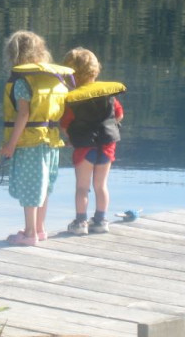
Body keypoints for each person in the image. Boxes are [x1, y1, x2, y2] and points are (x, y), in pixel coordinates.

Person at [0, 30, 75, 246]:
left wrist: (10, 145)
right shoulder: (52, 80)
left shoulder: (23, 82)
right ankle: (40, 229)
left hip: (31, 142)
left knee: (31, 187)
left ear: (15, 55)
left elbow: (23, 114)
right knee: (44, 186)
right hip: (51, 141)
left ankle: (30, 234)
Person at [60, 47, 125, 235]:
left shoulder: (72, 99)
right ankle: (101, 220)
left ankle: (81, 223)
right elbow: (119, 115)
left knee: (82, 186)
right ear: (95, 70)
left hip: (84, 147)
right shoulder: (107, 94)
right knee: (101, 185)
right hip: (107, 143)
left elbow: (65, 125)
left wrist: (71, 138)